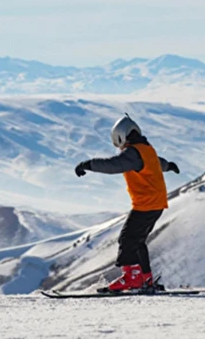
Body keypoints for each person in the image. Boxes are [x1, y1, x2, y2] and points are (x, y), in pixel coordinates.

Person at [75, 114, 181, 293]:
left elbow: (114, 165)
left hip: (146, 204)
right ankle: (146, 279)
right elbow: (158, 163)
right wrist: (169, 165)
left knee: (126, 239)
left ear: (120, 136)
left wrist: (87, 164)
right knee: (138, 242)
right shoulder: (147, 149)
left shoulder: (133, 152)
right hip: (157, 203)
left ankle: (132, 279)